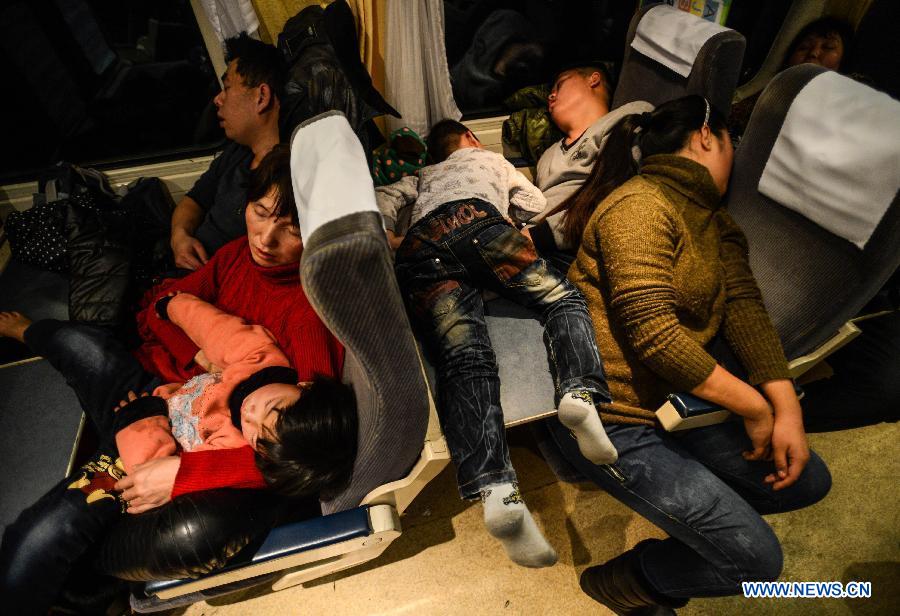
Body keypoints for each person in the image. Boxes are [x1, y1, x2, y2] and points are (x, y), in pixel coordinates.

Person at [541, 96, 831, 613]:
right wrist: (754, 407)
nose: (734, 156)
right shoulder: (641, 204)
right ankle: (627, 582)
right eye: (730, 142)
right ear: (705, 135)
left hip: (674, 402)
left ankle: (699, 521)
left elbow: (743, 305)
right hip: (613, 416)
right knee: (757, 563)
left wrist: (787, 407)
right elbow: (652, 330)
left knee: (807, 482)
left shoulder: (710, 218)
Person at [377, 119, 617, 568]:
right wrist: (512, 223)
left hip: (423, 245)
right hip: (479, 223)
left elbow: (383, 199)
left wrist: (395, 238)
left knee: (463, 359)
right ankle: (579, 392)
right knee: (562, 300)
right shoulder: (492, 159)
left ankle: (497, 491)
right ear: (469, 139)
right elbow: (534, 200)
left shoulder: (423, 175)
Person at [170, 32, 285, 270]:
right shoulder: (238, 153)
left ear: (261, 97)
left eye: (228, 87)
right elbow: (193, 201)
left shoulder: (287, 174)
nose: (218, 99)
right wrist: (180, 237)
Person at [525, 64, 653, 255]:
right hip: (529, 237)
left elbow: (619, 195)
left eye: (559, 85)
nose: (551, 96)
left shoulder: (626, 116)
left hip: (568, 246)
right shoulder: (548, 154)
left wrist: (538, 237)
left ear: (593, 79)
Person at [729, 17, 854, 142]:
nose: (814, 53)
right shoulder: (760, 99)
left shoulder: (846, 115)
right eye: (804, 47)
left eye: (828, 47)